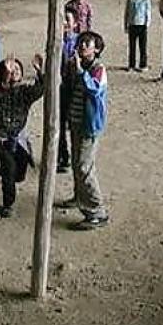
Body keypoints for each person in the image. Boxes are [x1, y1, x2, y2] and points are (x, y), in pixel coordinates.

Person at [0, 54, 44, 218]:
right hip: (2, 139)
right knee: (9, 170)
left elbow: (41, 89)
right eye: (10, 70)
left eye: (17, 69)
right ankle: (8, 204)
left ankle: (9, 180)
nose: (14, 71)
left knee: (19, 173)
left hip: (20, 140)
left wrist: (39, 72)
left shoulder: (25, 92)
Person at [60, 31, 109, 230]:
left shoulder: (99, 69)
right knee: (77, 162)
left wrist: (80, 71)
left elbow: (94, 89)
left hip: (89, 125)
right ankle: (80, 196)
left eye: (86, 43)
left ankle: (97, 211)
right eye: (79, 43)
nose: (81, 46)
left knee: (84, 166)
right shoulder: (75, 66)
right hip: (76, 122)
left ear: (96, 49)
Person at [58, 8, 79, 173]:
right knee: (58, 123)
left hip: (75, 90)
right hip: (60, 88)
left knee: (75, 124)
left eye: (67, 19)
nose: (64, 23)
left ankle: (76, 156)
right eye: (62, 19)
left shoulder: (80, 43)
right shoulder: (56, 41)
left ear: (75, 23)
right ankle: (62, 157)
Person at [124, 0, 152, 72]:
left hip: (142, 25)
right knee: (132, 46)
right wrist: (126, 25)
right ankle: (131, 64)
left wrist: (147, 24)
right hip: (132, 24)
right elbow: (126, 13)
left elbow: (148, 12)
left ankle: (143, 65)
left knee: (142, 46)